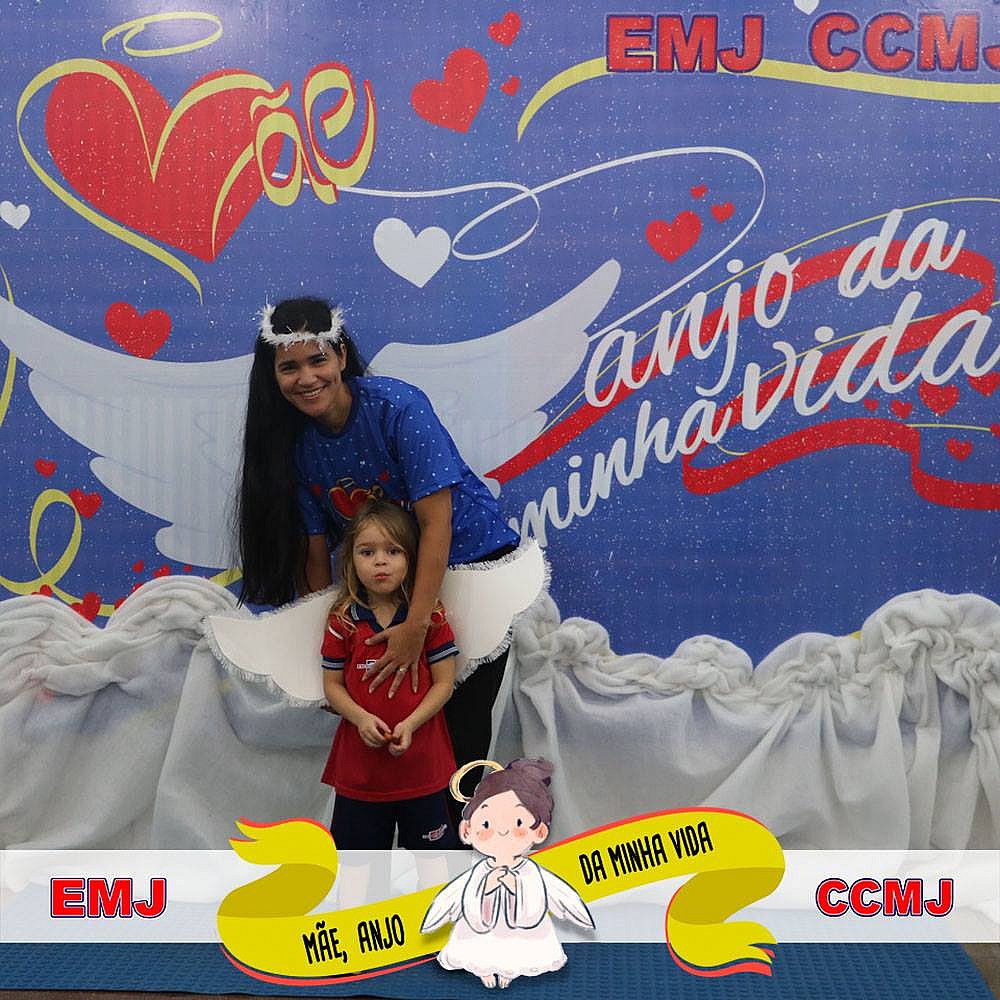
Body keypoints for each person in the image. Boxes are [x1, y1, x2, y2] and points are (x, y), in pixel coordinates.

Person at [236, 297, 521, 819]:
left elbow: (437, 522)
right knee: (394, 731)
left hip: (473, 565)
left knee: (460, 726)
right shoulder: (297, 447)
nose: (306, 378)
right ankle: (394, 853)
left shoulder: (398, 407)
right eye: (289, 367)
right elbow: (316, 559)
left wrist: (417, 625)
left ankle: (460, 847)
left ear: (342, 357)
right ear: (272, 377)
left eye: (317, 360)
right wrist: (327, 654)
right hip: (394, 591)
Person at [320, 499, 459, 850]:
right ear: (350, 560)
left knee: (433, 864)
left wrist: (411, 724)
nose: (380, 561)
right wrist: (361, 718)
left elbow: (445, 683)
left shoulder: (430, 617)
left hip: (423, 769)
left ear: (412, 557)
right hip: (360, 776)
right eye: (367, 552)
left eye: (393, 551)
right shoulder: (342, 620)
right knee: (356, 866)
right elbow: (332, 685)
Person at [421, 758, 595, 989]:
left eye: (518, 822)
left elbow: (556, 894)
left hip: (522, 931)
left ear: (540, 831)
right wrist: (487, 887)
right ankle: (482, 968)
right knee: (477, 944)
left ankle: (511, 969)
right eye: (486, 824)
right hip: (481, 929)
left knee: (519, 947)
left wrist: (516, 887)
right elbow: (452, 896)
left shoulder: (530, 871)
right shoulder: (479, 871)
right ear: (467, 829)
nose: (502, 831)